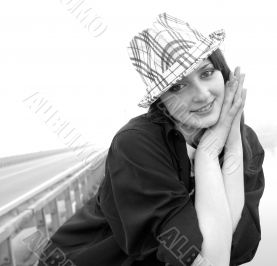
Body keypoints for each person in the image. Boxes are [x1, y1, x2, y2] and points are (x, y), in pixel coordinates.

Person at [37, 12, 265, 266]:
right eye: (177, 87)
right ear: (162, 101)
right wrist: (208, 153)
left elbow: (237, 245)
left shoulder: (246, 142)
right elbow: (199, 258)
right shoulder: (136, 145)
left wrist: (231, 144)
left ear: (223, 72)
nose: (201, 95)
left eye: (206, 73)